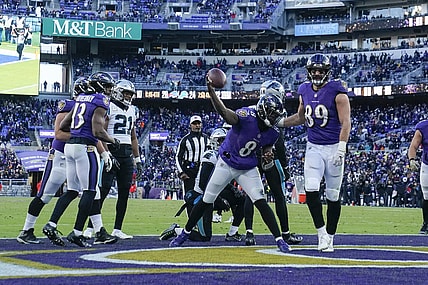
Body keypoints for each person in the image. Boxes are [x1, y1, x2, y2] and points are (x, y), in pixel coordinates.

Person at [169, 76, 291, 253]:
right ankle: (184, 233)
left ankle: (279, 239)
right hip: (226, 162)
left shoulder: (273, 131)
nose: (274, 118)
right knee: (206, 199)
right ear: (264, 110)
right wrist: (211, 92)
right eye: (272, 114)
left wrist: (267, 153)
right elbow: (225, 113)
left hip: (247, 167)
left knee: (261, 201)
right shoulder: (246, 116)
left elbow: (267, 146)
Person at [277, 53, 351, 252]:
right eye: (314, 70)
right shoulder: (303, 89)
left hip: (334, 146)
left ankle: (331, 236)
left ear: (327, 72)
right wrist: (281, 123)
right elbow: (301, 117)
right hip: (314, 146)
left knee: (333, 195)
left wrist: (342, 147)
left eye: (320, 70)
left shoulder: (337, 90)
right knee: (310, 189)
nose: (317, 73)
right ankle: (321, 233)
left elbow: (346, 122)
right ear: (309, 72)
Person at [41, 76, 118, 247]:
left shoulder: (80, 99)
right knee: (90, 191)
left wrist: (79, 129)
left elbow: (64, 125)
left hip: (69, 147)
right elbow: (98, 131)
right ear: (99, 86)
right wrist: (113, 141)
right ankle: (77, 232)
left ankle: (51, 224)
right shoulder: (100, 100)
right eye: (107, 86)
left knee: (72, 190)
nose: (109, 90)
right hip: (86, 149)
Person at [243, 80, 303, 247]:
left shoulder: (252, 111)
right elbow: (280, 143)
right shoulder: (275, 112)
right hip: (271, 157)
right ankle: (285, 233)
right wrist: (285, 166)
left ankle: (249, 233)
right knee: (278, 196)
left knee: (252, 194)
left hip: (252, 156)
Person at [160, 128, 245, 243]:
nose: (224, 143)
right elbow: (203, 184)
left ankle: (232, 233)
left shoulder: (226, 157)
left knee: (241, 199)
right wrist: (219, 199)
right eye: (220, 140)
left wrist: (232, 189)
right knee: (204, 237)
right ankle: (177, 230)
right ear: (214, 141)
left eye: (225, 141)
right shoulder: (210, 155)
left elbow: (224, 180)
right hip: (202, 197)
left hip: (214, 195)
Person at [83, 79, 143, 240]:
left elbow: (133, 137)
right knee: (102, 190)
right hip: (112, 151)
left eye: (130, 94)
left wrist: (137, 159)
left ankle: (117, 229)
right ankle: (91, 227)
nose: (128, 97)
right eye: (126, 93)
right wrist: (106, 153)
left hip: (126, 154)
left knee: (124, 193)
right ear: (118, 92)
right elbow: (101, 131)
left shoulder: (132, 110)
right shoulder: (109, 106)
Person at [16, 94, 76, 244]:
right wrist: (81, 137)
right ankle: (26, 230)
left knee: (83, 191)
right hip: (60, 155)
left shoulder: (92, 108)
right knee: (45, 195)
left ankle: (86, 231)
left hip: (75, 155)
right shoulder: (69, 105)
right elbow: (59, 134)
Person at [175, 114, 209, 215]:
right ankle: (191, 221)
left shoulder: (207, 139)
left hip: (203, 170)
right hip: (189, 170)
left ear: (201, 124)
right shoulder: (185, 140)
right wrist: (181, 172)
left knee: (205, 196)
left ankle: (202, 220)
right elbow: (178, 157)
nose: (197, 126)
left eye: (198, 123)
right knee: (189, 197)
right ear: (190, 125)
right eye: (194, 124)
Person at [407, 119, 428, 234]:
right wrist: (412, 159)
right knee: (427, 196)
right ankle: (426, 223)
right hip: (427, 165)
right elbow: (413, 146)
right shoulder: (423, 127)